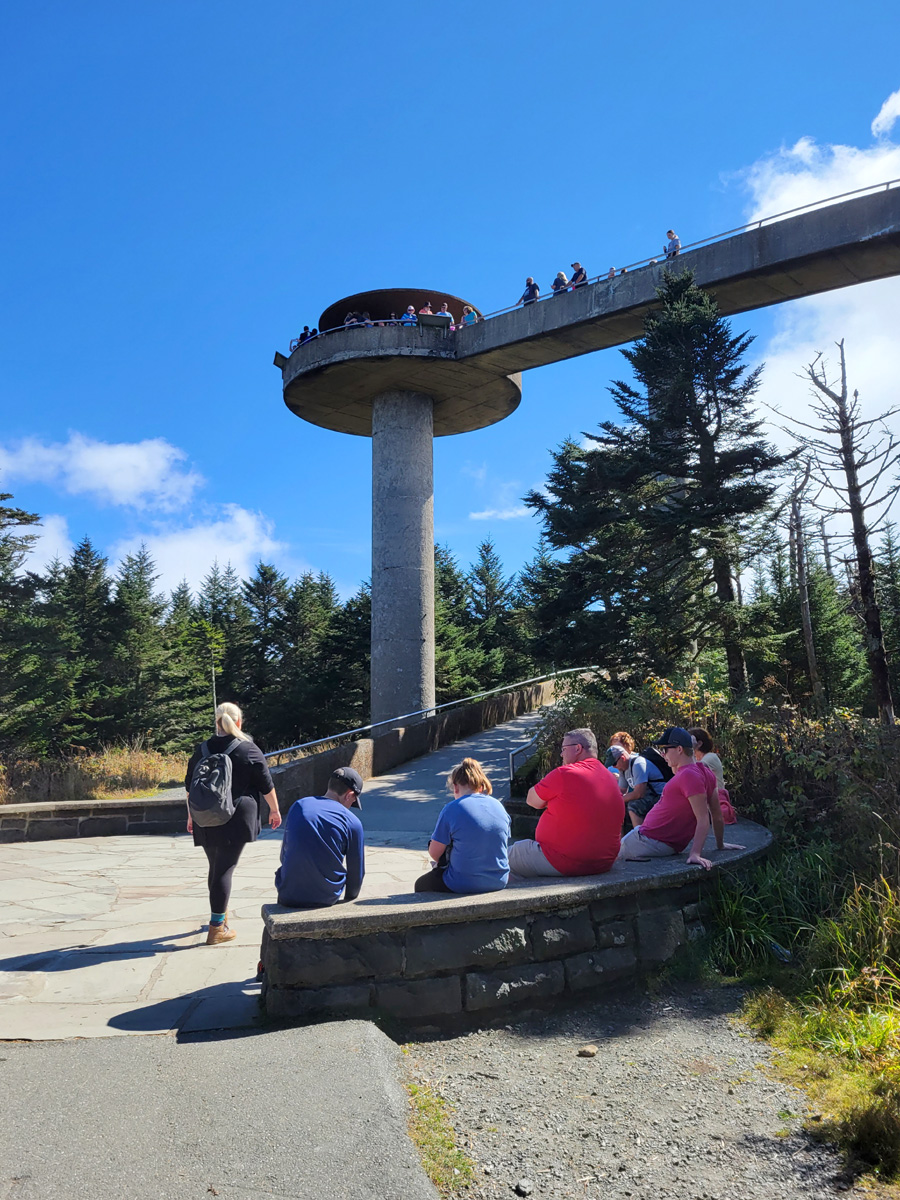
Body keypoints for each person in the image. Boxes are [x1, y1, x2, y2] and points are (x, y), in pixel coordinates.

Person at [185, 702, 282, 945]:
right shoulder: (247, 749)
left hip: (204, 816)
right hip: (235, 817)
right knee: (224, 868)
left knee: (216, 866)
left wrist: (190, 815)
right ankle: (217, 927)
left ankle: (219, 915)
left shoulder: (202, 749)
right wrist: (275, 809)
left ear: (216, 723)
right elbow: (266, 784)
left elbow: (189, 787)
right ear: (238, 722)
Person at [618, 727, 744, 869]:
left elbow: (703, 818)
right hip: (651, 837)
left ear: (679, 749)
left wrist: (695, 853)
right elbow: (716, 814)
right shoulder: (703, 772)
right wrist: (720, 844)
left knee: (612, 859)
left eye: (665, 750)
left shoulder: (688, 776)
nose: (663, 754)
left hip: (652, 840)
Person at [508, 728, 624, 877]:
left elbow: (532, 800)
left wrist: (550, 801)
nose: (561, 754)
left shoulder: (565, 773)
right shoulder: (610, 778)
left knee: (504, 858)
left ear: (577, 748)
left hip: (563, 860)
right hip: (603, 863)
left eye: (563, 749)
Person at [414, 758, 509, 894]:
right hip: (499, 880)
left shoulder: (452, 808)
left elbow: (435, 854)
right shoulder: (499, 806)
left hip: (463, 883)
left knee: (422, 884)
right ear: (480, 785)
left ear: (456, 786)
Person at [275, 767, 365, 908]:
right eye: (353, 801)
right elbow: (356, 876)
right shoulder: (352, 822)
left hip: (288, 894)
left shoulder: (299, 805)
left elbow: (284, 855)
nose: (349, 807)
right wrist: (349, 899)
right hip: (326, 897)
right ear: (349, 795)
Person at [611, 742, 668, 828]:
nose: (614, 767)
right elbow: (621, 791)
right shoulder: (623, 769)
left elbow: (639, 793)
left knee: (634, 806)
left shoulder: (638, 764)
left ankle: (640, 837)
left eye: (614, 764)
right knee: (616, 808)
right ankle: (620, 840)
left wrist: (617, 800)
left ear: (622, 758)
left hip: (660, 795)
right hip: (647, 796)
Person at [689, 727, 737, 823]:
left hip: (714, 800)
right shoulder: (700, 759)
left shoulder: (710, 757)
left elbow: (694, 772)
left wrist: (690, 749)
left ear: (699, 743)